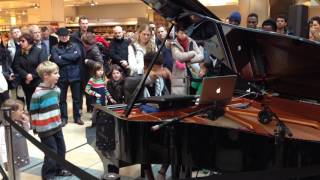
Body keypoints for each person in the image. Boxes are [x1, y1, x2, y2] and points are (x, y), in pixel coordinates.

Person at [30, 61, 71, 180]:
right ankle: (48, 175)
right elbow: (33, 111)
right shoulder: (38, 94)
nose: (58, 75)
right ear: (46, 75)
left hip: (56, 125)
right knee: (51, 153)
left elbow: (57, 105)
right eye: (55, 73)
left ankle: (59, 169)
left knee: (61, 149)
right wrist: (36, 128)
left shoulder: (57, 90)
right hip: (45, 129)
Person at [51, 27, 83, 125]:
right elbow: (57, 60)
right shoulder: (54, 47)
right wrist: (70, 57)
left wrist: (63, 56)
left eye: (66, 36)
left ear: (68, 36)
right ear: (59, 37)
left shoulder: (75, 45)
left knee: (76, 98)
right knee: (62, 99)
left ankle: (77, 117)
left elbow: (77, 56)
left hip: (75, 75)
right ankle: (64, 118)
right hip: (62, 76)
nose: (64, 37)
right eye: (62, 36)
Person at [13, 33, 47, 111]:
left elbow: (42, 65)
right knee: (29, 102)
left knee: (39, 102)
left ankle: (40, 121)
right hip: (25, 82)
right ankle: (31, 119)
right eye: (19, 41)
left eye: (23, 41)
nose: (20, 43)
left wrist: (32, 76)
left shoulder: (39, 51)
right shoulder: (18, 52)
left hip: (38, 81)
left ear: (29, 41)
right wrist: (26, 75)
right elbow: (16, 66)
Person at [2, 99, 30, 180]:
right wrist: (5, 160)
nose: (23, 112)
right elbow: (2, 144)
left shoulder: (19, 122)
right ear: (13, 112)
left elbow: (26, 132)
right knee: (13, 175)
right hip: (10, 157)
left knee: (17, 173)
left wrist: (26, 122)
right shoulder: (4, 127)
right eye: (21, 110)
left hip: (19, 153)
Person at [85, 62, 116, 126]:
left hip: (103, 100)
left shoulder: (102, 80)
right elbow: (87, 89)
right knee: (95, 112)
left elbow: (105, 90)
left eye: (101, 70)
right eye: (98, 70)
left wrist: (110, 98)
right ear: (94, 71)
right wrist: (95, 93)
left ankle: (101, 124)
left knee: (103, 112)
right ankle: (94, 124)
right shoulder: (92, 80)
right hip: (96, 100)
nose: (100, 72)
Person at [81, 32, 104, 112]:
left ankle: (94, 110)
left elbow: (100, 63)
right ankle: (90, 109)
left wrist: (88, 61)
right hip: (89, 74)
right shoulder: (89, 48)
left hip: (93, 75)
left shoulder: (94, 49)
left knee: (92, 93)